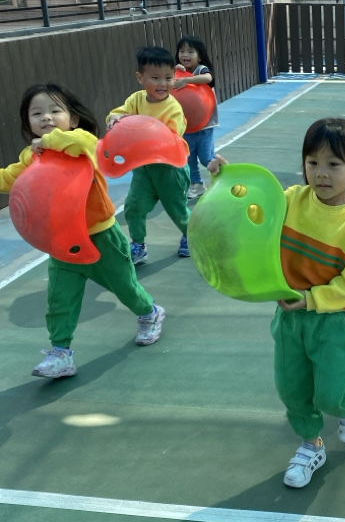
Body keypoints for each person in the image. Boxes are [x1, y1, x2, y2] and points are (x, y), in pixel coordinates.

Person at [210, 118, 345, 489]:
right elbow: (254, 212)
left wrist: (312, 299)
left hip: (333, 320)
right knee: (292, 389)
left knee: (331, 397)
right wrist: (227, 182)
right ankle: (310, 445)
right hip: (289, 316)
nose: (321, 173)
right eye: (313, 162)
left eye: (333, 164)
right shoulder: (292, 199)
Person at [1, 84, 165, 379]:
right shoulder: (32, 156)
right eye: (37, 114)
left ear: (73, 119)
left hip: (101, 238)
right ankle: (60, 352)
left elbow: (80, 143)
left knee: (126, 288)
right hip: (61, 243)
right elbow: (10, 179)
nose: (46, 117)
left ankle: (150, 312)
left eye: (55, 111)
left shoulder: (83, 142)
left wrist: (48, 141)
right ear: (28, 123)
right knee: (60, 299)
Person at [107, 46, 191, 262]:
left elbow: (171, 136)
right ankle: (138, 244)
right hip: (144, 168)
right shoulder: (136, 100)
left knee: (177, 209)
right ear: (140, 78)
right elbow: (119, 113)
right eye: (155, 78)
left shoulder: (173, 108)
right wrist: (115, 118)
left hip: (170, 168)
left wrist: (144, 133)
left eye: (168, 78)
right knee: (134, 206)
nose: (163, 84)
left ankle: (191, 235)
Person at [174, 34, 217, 201]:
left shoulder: (200, 70)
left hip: (205, 125)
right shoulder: (178, 71)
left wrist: (187, 80)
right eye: (182, 51)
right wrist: (176, 71)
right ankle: (197, 184)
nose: (185, 55)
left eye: (190, 51)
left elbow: (208, 78)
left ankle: (222, 173)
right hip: (186, 125)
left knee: (206, 158)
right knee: (189, 157)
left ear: (199, 56)